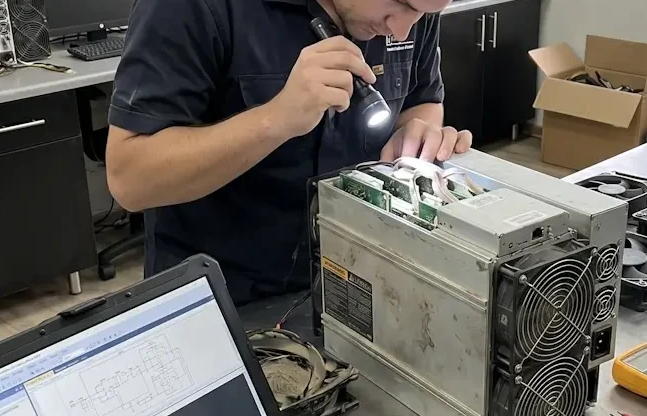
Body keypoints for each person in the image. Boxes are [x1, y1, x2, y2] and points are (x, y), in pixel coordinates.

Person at [105, 0, 473, 305]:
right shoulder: (193, 7)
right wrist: (276, 119)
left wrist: (416, 132)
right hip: (219, 297)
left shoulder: (411, 13)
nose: (403, 30)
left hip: (349, 282)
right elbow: (130, 178)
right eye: (401, 3)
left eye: (426, 13)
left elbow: (422, 100)